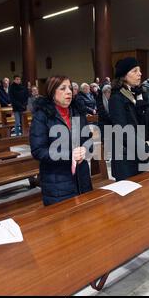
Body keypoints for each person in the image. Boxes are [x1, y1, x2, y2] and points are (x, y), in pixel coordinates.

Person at [30, 75, 93, 206]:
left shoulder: (77, 112)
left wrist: (85, 149)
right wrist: (70, 155)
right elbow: (38, 150)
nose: (69, 91)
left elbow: (89, 140)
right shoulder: (42, 115)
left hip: (82, 177)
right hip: (57, 180)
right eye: (63, 88)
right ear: (52, 92)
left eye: (70, 88)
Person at [109, 57, 149, 181]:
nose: (140, 73)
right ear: (124, 76)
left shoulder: (140, 95)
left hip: (142, 154)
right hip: (126, 158)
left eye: (140, 70)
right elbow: (123, 131)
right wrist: (147, 149)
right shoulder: (117, 98)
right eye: (135, 71)